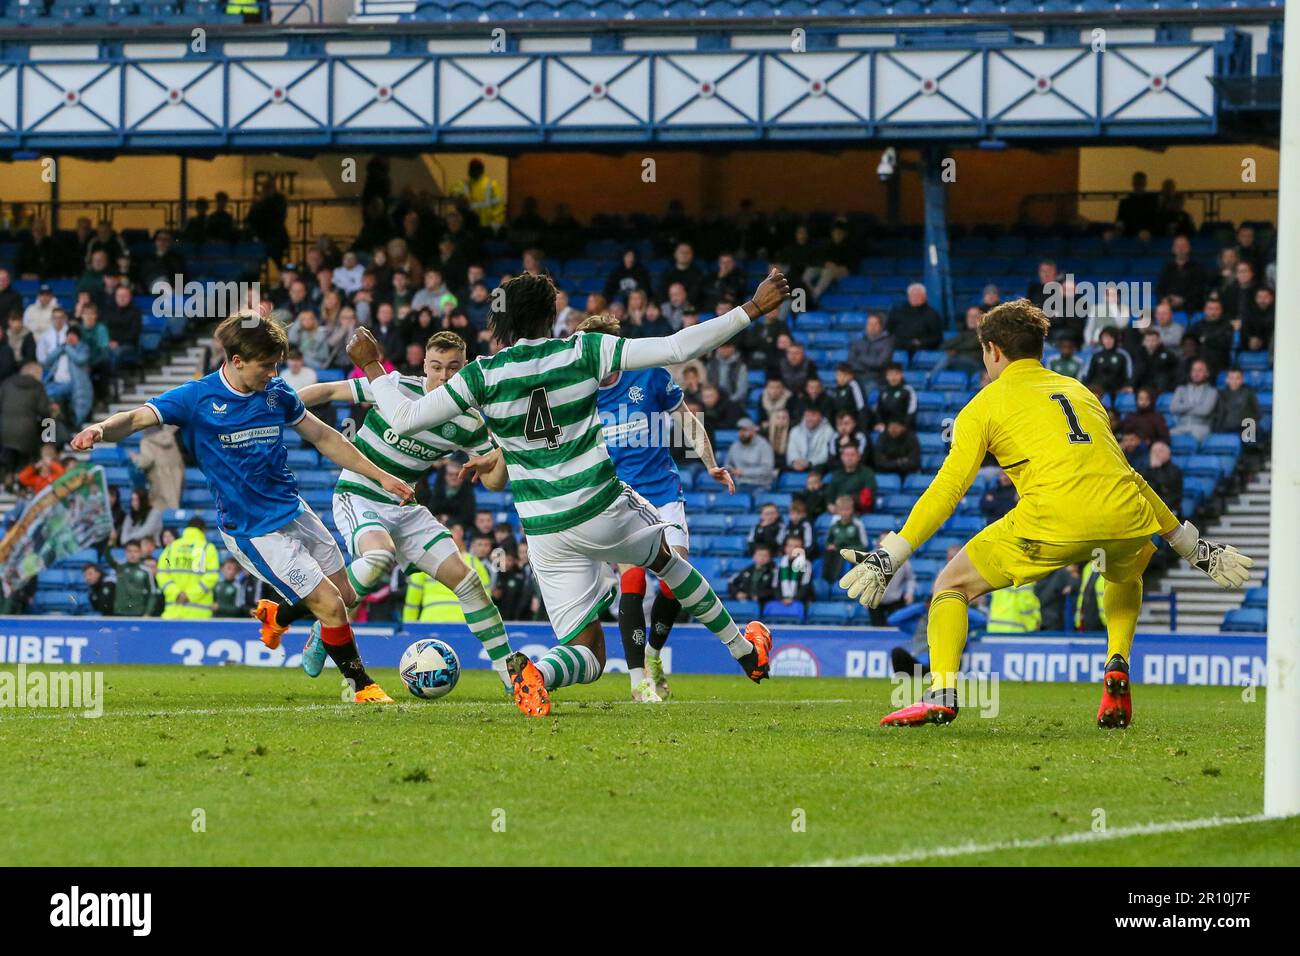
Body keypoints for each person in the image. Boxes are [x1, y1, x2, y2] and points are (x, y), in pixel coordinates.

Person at [348, 269, 791, 715]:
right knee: (667, 561)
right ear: (551, 316)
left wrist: (372, 366)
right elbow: (677, 345)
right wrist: (751, 309)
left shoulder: (482, 374)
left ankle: (539, 672)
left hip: (543, 532)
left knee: (588, 651)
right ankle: (745, 651)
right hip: (600, 506)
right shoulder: (584, 350)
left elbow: (404, 417)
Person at [837, 298, 1252, 729]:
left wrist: (894, 552)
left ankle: (941, 692)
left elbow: (948, 489)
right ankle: (1116, 662)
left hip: (1053, 520)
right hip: (1126, 516)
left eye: (984, 352)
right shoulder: (1080, 391)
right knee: (1124, 573)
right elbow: (1128, 473)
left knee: (951, 585)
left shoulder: (983, 405)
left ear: (994, 350)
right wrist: (1191, 546)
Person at [72, 308, 416, 703]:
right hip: (253, 529)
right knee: (331, 606)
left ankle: (278, 615)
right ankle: (362, 686)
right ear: (236, 361)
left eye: (276, 365)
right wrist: (100, 428)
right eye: (265, 366)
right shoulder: (196, 398)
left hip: (293, 509)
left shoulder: (276, 393)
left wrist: (382, 476)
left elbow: (323, 437)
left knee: (345, 594)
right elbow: (135, 419)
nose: (272, 373)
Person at [294, 330, 517, 687]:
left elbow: (493, 483)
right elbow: (330, 391)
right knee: (379, 557)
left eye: (453, 368)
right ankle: (324, 627)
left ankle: (511, 675)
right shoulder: (394, 387)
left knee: (470, 583)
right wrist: (283, 407)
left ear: (465, 368)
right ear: (424, 364)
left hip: (405, 505)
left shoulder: (468, 421)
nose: (444, 376)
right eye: (436, 367)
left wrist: (505, 448)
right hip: (360, 492)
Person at [573, 312, 734, 703]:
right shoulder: (578, 392)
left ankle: (653, 657)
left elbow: (688, 422)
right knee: (631, 579)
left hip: (662, 492)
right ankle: (638, 682)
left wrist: (710, 463)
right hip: (618, 500)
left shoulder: (649, 375)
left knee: (674, 577)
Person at [156, 516, 220, 619]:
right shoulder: (207, 548)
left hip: (172, 613)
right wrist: (189, 595)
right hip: (199, 614)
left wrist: (176, 593)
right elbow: (212, 577)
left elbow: (162, 575)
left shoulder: (171, 547)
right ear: (203, 530)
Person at [450, 158, 505, 231]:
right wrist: (459, 195)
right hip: (469, 227)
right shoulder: (465, 184)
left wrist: (495, 227)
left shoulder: (492, 185)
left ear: (481, 170)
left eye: (475, 168)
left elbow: (499, 208)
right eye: (471, 168)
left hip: (486, 228)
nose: (472, 171)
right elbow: (453, 190)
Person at [1170, 359, 1218, 442]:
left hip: (1201, 428)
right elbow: (1173, 408)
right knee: (1165, 440)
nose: (1196, 373)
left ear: (1207, 373)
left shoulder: (1212, 391)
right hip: (1180, 426)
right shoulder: (1180, 389)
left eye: (1200, 370)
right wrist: (1193, 405)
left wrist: (1182, 408)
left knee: (1190, 441)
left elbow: (1205, 411)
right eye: (1194, 370)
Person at [887, 283, 943, 352]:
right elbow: (888, 331)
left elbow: (937, 338)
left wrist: (920, 342)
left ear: (925, 297)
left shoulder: (932, 315)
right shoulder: (897, 311)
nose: (915, 298)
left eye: (918, 295)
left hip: (922, 350)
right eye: (912, 295)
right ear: (908, 297)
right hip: (898, 348)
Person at [724, 417, 776, 489]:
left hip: (761, 484)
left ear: (753, 431)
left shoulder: (764, 445)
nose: (741, 433)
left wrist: (743, 472)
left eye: (745, 430)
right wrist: (730, 470)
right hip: (739, 484)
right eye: (740, 430)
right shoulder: (734, 446)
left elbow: (767, 470)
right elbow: (727, 464)